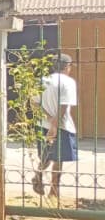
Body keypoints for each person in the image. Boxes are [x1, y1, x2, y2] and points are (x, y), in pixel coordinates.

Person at [33, 53, 78, 198]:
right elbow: (64, 105)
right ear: (67, 66)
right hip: (62, 126)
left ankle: (38, 176)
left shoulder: (42, 81)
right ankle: (54, 190)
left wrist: (48, 119)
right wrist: (55, 125)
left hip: (42, 124)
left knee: (46, 156)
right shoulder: (68, 82)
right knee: (59, 159)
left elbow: (34, 103)